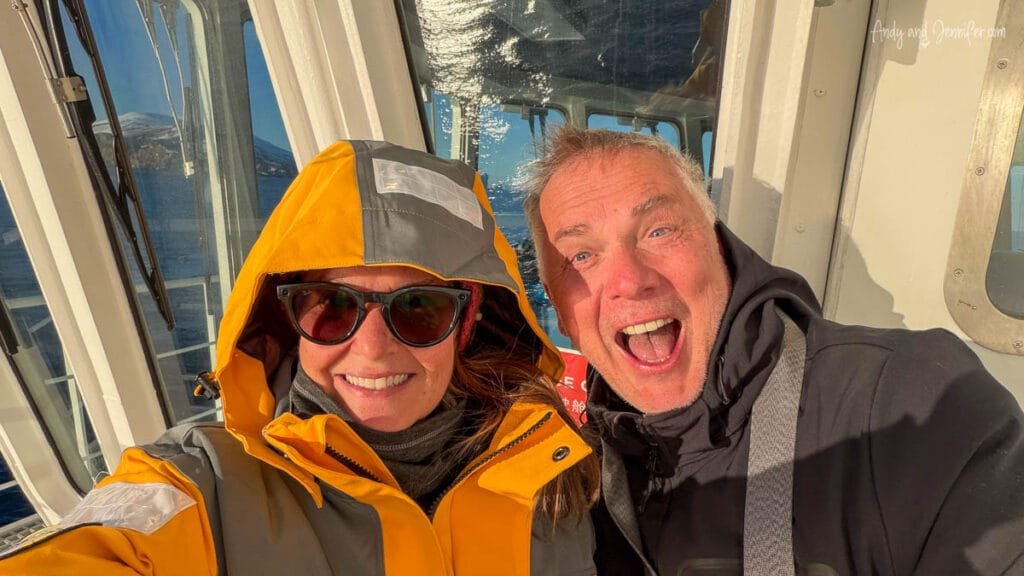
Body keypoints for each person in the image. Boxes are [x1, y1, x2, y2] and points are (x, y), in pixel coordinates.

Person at [0, 140, 599, 575]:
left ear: (467, 324)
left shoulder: (558, 472)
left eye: (419, 309)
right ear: (287, 317)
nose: (370, 347)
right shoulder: (203, 487)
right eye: (330, 306)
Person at [523, 126, 1024, 575]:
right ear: (560, 310)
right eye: (581, 256)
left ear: (719, 245)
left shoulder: (913, 403)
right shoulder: (561, 475)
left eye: (659, 231)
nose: (630, 282)